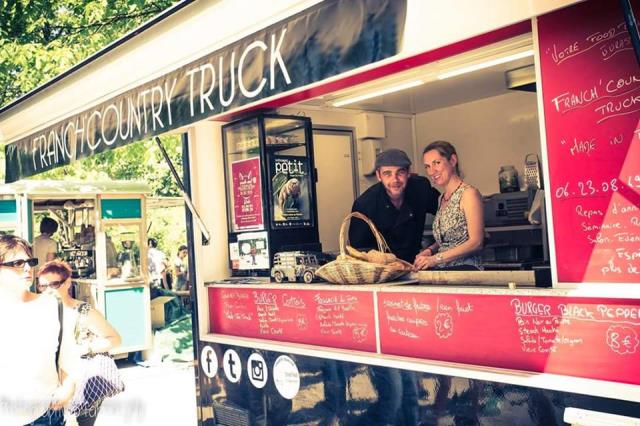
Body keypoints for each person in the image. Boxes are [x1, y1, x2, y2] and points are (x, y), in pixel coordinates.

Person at [37, 260, 122, 426]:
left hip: (82, 383)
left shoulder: (84, 311)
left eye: (54, 285)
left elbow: (115, 339)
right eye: (42, 286)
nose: (47, 291)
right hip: (50, 386)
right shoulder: (38, 311)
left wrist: (85, 348)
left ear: (67, 282)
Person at [0, 235, 69, 426]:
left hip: (46, 413)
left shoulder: (52, 305)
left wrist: (67, 388)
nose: (28, 268)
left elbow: (68, 356)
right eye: (17, 263)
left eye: (30, 262)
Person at [349, 148, 440, 263]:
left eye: (400, 172)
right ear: (378, 175)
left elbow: (446, 211)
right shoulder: (364, 204)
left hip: (416, 263)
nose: (395, 180)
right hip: (381, 268)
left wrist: (431, 249)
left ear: (408, 172)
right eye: (387, 174)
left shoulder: (421, 188)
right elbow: (358, 250)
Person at [414, 141, 484, 270]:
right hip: (443, 271)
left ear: (452, 160)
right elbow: (448, 240)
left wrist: (435, 259)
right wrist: (430, 250)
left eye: (437, 163)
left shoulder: (468, 194)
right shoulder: (441, 198)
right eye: (427, 166)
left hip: (466, 270)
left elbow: (476, 242)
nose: (431, 171)